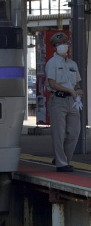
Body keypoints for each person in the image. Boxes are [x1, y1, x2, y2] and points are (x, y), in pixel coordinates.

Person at [45, 31, 83, 173]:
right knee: (59, 134)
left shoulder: (73, 64)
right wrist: (70, 91)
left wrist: (78, 90)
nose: (62, 46)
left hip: (72, 102)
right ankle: (61, 164)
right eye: (59, 44)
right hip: (58, 100)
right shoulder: (52, 63)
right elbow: (52, 83)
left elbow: (76, 83)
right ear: (54, 47)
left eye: (64, 43)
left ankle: (62, 158)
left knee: (74, 132)